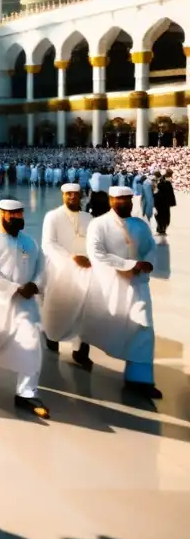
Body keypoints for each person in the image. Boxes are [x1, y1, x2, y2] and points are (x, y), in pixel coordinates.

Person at [0, 199, 49, 419]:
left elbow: (42, 267)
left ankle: (26, 392)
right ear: (1, 214)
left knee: (32, 342)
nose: (17, 219)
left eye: (20, 215)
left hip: (24, 305)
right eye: (12, 215)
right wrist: (13, 288)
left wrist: (36, 285)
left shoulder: (29, 242)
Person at [86, 186, 160, 399]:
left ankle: (140, 379)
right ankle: (80, 351)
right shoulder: (98, 225)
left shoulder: (140, 225)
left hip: (138, 286)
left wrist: (146, 264)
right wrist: (129, 264)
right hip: (112, 286)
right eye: (119, 200)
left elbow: (151, 248)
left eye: (127, 200)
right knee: (112, 329)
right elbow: (97, 254)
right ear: (111, 201)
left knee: (144, 328)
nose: (124, 204)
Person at [40, 184, 96, 370]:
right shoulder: (52, 216)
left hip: (85, 271)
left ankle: (80, 351)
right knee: (56, 307)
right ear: (63, 195)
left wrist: (91, 259)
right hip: (58, 270)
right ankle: (52, 338)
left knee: (84, 311)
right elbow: (48, 244)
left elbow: (95, 243)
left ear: (81, 196)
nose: (72, 197)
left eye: (75, 194)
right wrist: (71, 258)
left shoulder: (89, 218)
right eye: (68, 194)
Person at [153, 170, 176, 235]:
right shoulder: (160, 183)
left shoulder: (168, 183)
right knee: (160, 217)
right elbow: (157, 193)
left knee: (165, 218)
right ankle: (159, 230)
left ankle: (162, 230)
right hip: (160, 203)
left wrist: (172, 202)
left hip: (165, 203)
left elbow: (171, 194)